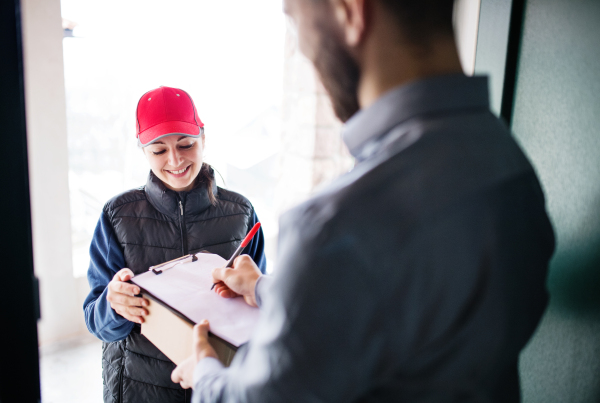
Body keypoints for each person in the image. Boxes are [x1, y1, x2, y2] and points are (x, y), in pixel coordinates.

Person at [173, 0, 556, 401]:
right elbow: (400, 315)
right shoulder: (510, 162)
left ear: (349, 12)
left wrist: (206, 373)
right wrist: (264, 288)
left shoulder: (337, 226)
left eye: (295, 19)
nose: (304, 49)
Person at [83, 85, 266, 403]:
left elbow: (260, 315)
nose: (175, 159)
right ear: (142, 150)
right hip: (139, 389)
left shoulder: (242, 212)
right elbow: (98, 324)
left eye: (186, 144)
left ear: (203, 138)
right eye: (158, 150)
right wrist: (114, 307)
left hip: (222, 385)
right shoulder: (117, 215)